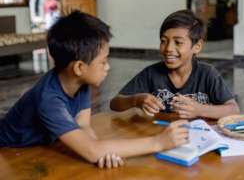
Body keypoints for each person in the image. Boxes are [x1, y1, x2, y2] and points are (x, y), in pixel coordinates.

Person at [0, 11, 189, 169]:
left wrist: (101, 152)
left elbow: (83, 126)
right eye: (103, 62)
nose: (107, 67)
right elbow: (91, 150)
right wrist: (158, 142)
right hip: (9, 152)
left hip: (40, 145)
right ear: (79, 67)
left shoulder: (78, 82)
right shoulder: (49, 99)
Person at [110, 10, 240, 119]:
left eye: (178, 42)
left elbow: (233, 109)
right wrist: (136, 100)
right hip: (161, 136)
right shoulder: (151, 73)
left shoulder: (207, 74)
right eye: (163, 41)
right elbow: (115, 103)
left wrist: (200, 110)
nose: (168, 49)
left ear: (197, 46)